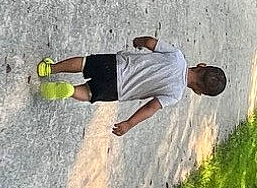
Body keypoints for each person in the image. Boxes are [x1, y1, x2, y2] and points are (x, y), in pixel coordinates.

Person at [36, 35, 226, 135]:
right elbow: (151, 108)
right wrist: (129, 123)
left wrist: (140, 41)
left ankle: (50, 69)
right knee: (88, 93)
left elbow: (151, 42)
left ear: (202, 65)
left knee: (85, 63)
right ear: (198, 91)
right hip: (119, 90)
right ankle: (69, 90)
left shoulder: (178, 57)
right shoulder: (175, 94)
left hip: (117, 65)